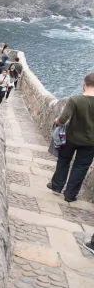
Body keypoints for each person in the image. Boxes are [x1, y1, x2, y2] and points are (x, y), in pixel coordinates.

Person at [47, 73, 94, 202]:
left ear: (84, 83)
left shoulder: (75, 99)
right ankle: (70, 195)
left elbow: (62, 120)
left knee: (64, 161)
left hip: (70, 138)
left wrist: (56, 121)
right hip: (90, 142)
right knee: (81, 167)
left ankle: (57, 187)